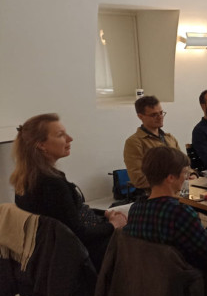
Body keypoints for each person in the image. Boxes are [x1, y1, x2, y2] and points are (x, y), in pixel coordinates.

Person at [12, 114, 126, 270]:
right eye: (61, 135)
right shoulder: (52, 184)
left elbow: (66, 212)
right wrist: (113, 225)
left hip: (52, 252)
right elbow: (78, 233)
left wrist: (104, 213)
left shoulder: (27, 178)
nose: (70, 138)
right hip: (81, 254)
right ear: (41, 145)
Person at [124, 146, 207, 270]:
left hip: (156, 276)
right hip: (190, 279)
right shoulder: (180, 213)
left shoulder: (135, 209)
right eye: (184, 173)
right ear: (170, 178)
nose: (186, 178)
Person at [123, 96, 183, 192]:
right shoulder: (134, 142)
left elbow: (184, 165)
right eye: (154, 115)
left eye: (161, 113)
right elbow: (138, 179)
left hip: (178, 190)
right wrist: (173, 180)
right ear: (140, 116)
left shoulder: (170, 138)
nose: (160, 117)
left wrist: (192, 174)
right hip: (155, 195)